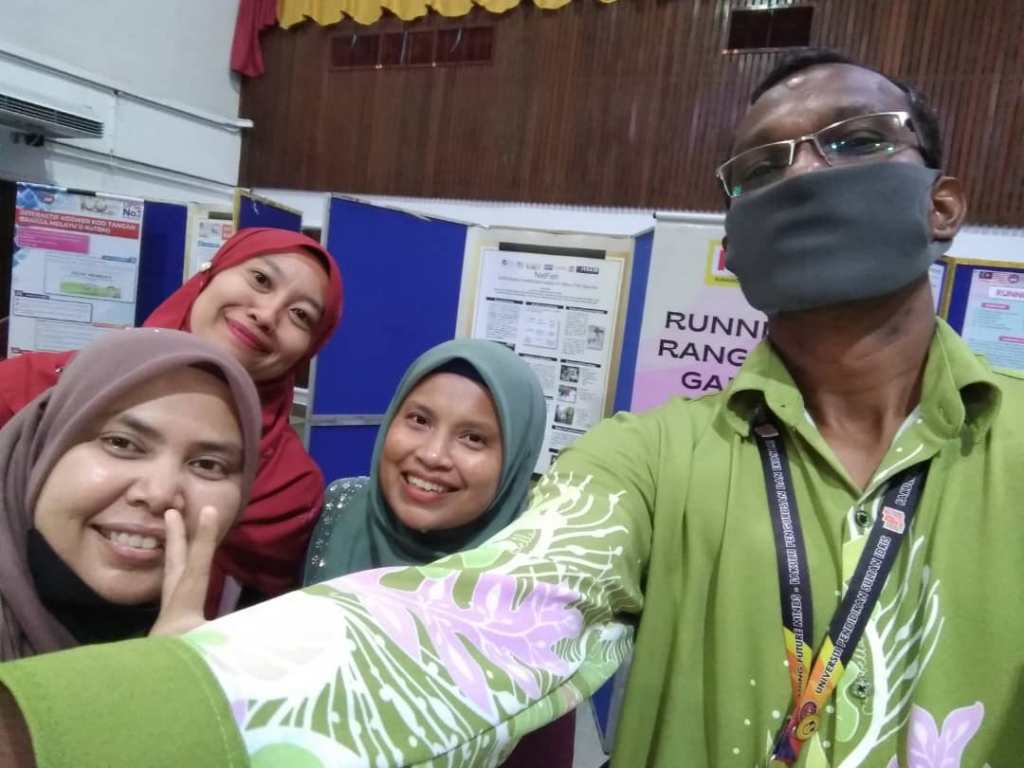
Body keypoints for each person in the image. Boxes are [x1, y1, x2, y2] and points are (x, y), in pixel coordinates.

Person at [2, 49, 1023, 768]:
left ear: (942, 206)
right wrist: (66, 730)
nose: (801, 175)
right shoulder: (648, 463)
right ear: (734, 238)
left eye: (852, 141)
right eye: (760, 166)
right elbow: (484, 620)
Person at [0, 228, 344, 614]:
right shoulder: (31, 387)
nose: (266, 315)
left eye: (300, 315)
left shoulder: (290, 486)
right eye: (260, 279)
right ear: (209, 275)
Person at [303, 338, 573, 768]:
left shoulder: (532, 593)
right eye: (419, 420)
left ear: (514, 462)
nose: (432, 455)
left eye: (473, 438)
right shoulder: (339, 513)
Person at [0, 328, 261, 661]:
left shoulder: (233, 651)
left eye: (208, 465)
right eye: (121, 443)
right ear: (42, 450)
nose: (160, 494)